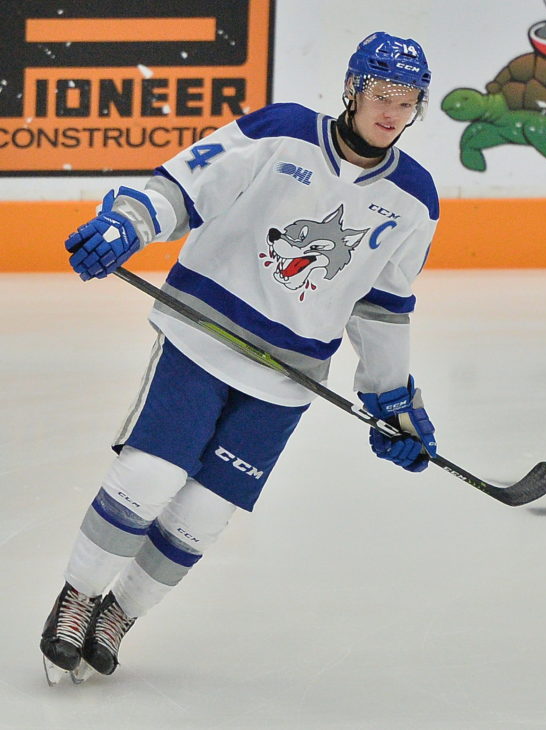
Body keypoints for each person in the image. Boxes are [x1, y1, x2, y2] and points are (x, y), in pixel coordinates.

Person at [40, 30, 438, 684]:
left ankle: (119, 615)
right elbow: (186, 184)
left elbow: (383, 307)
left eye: (408, 100)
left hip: (288, 377)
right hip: (203, 338)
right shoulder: (282, 129)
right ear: (352, 89)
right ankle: (79, 594)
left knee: (203, 515)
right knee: (148, 480)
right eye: (381, 94)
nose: (392, 111)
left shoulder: (416, 197)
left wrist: (393, 401)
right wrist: (129, 222)